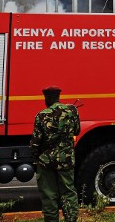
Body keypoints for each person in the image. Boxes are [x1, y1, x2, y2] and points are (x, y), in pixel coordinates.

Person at [30, 85, 81, 222]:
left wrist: (35, 157)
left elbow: (36, 142)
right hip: (66, 160)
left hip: (46, 161)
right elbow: (76, 131)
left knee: (49, 195)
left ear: (47, 99)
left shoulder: (41, 115)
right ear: (58, 97)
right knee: (68, 192)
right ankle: (70, 219)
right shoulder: (72, 111)